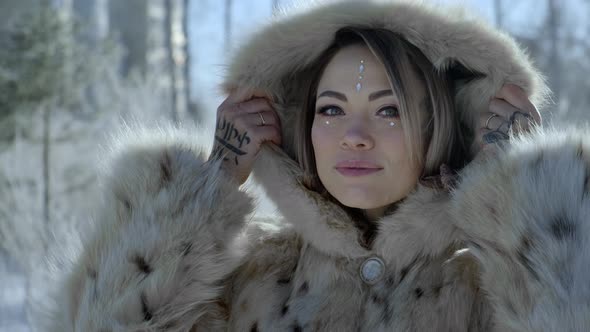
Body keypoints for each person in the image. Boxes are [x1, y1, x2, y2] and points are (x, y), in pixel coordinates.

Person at [47, 1, 589, 331]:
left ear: (442, 127)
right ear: (300, 126)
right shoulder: (245, 281)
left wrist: (530, 200)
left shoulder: (498, 280)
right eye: (330, 109)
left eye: (389, 109)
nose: (354, 136)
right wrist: (206, 188)